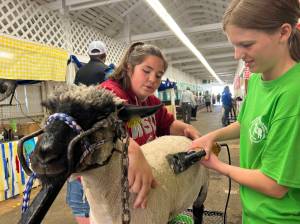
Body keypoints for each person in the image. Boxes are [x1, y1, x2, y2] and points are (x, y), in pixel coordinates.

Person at [191, 0, 300, 223]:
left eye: (247, 44)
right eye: (234, 45)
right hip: (254, 211)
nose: (236, 55)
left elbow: (275, 184)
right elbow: (245, 123)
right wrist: (212, 135)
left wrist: (219, 166)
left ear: (283, 32)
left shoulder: (293, 95)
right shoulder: (260, 78)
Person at [100, 42, 204, 222]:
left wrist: (187, 129)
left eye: (158, 75)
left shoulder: (150, 101)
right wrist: (132, 150)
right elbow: (101, 132)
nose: (152, 80)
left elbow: (168, 123)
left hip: (138, 184)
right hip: (108, 187)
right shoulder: (109, 94)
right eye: (146, 71)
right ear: (129, 67)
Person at [68, 40, 109, 224]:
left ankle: (81, 205)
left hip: (78, 130)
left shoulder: (79, 72)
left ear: (89, 54)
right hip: (99, 130)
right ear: (104, 55)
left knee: (79, 172)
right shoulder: (108, 71)